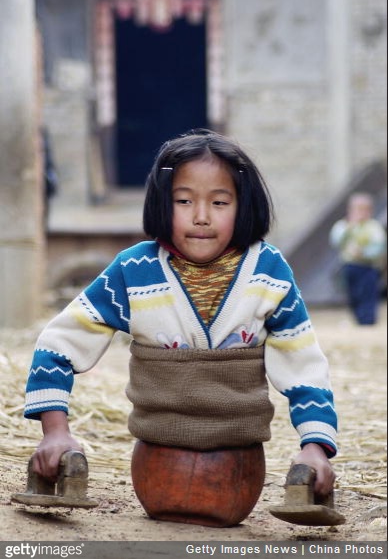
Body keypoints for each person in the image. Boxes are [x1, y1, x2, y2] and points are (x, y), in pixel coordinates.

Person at [24, 129, 337, 509]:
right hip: (155, 468)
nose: (202, 217)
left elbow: (304, 368)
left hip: (239, 471)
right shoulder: (134, 270)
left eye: (220, 202)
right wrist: (55, 433)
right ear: (160, 204)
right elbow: (58, 344)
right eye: (184, 200)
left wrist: (315, 447)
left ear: (244, 205)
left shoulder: (268, 273)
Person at [329, 192, 386, 325]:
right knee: (353, 294)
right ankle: (359, 319)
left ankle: (368, 320)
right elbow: (336, 241)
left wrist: (365, 253)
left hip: (368, 267)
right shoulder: (343, 226)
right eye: (357, 209)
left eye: (364, 209)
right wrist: (350, 227)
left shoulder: (373, 227)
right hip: (350, 266)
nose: (360, 213)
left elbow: (379, 246)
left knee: (368, 294)